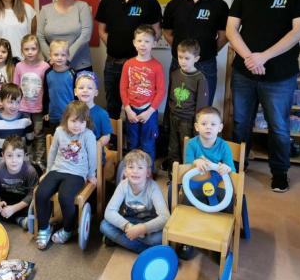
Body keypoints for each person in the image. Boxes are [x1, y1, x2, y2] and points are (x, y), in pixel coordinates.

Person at [225, 0, 300, 193]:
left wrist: (263, 57)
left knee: (279, 126)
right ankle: (238, 166)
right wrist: (250, 58)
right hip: (244, 73)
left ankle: (279, 172)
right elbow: (231, 29)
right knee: (241, 122)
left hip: (280, 75)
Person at [95, 0, 163, 119]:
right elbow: (102, 30)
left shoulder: (149, 1)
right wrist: (114, 45)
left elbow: (156, 31)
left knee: (139, 106)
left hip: (141, 67)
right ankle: (113, 135)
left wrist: (142, 55)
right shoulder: (107, 1)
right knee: (113, 106)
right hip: (113, 63)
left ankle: (136, 136)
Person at [162, 0, 230, 105]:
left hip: (206, 64)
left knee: (203, 109)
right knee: (177, 107)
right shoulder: (174, 5)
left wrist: (208, 51)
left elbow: (224, 35)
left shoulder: (219, 5)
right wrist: (183, 52)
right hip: (179, 64)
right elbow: (167, 32)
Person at [35, 101, 98, 250]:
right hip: (57, 169)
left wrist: (91, 174)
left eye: (82, 122)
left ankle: (68, 229)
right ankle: (44, 228)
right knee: (41, 193)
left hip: (77, 173)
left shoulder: (88, 135)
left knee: (65, 197)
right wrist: (48, 171)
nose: (77, 125)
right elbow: (52, 151)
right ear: (66, 119)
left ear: (86, 122)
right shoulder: (59, 131)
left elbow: (92, 156)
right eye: (73, 121)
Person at [178, 106, 235, 259]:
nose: (208, 127)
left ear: (220, 128)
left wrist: (225, 168)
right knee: (187, 202)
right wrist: (195, 162)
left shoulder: (224, 146)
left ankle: (220, 241)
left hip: (216, 183)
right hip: (196, 183)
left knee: (226, 202)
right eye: (204, 124)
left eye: (213, 124)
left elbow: (232, 170)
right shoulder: (192, 144)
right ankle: (187, 240)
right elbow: (186, 168)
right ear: (197, 127)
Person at [100, 149, 169, 253]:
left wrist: (143, 228)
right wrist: (127, 226)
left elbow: (165, 217)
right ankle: (145, 250)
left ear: (148, 172)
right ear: (125, 172)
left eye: (140, 167)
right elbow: (109, 212)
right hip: (129, 222)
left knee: (158, 238)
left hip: (148, 225)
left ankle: (119, 240)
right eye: (131, 167)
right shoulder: (123, 185)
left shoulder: (153, 188)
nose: (135, 171)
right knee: (104, 226)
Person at [120, 25, 165, 170]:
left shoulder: (157, 66)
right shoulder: (128, 64)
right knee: (132, 143)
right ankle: (131, 171)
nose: (143, 44)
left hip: (149, 112)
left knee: (148, 144)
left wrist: (149, 112)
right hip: (131, 111)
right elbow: (123, 88)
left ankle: (148, 173)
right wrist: (128, 110)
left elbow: (161, 91)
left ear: (154, 44)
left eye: (147, 41)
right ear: (134, 43)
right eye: (139, 41)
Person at [36, 0, 93, 73]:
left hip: (80, 66)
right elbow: (40, 37)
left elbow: (86, 35)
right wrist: (51, 58)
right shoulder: (45, 10)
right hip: (54, 66)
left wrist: (66, 57)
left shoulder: (82, 7)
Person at [166, 39, 210, 168]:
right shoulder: (174, 74)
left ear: (196, 58)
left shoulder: (200, 78)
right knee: (172, 148)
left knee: (186, 149)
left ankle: (186, 174)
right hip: (173, 117)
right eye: (180, 57)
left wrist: (197, 125)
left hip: (188, 120)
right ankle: (173, 174)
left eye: (187, 58)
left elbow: (202, 106)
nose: (183, 61)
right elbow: (170, 97)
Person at [0, 136, 38, 230]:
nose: (14, 161)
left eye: (18, 156)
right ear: (3, 156)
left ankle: (2, 216)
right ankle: (19, 220)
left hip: (21, 201)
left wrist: (14, 208)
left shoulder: (30, 171)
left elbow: (32, 195)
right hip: (5, 199)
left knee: (36, 205)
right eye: (9, 156)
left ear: (24, 156)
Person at [13, 34, 50, 169]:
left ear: (38, 49)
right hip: (23, 108)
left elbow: (48, 89)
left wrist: (47, 109)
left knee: (39, 134)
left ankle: (39, 160)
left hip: (39, 108)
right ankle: (26, 158)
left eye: (33, 49)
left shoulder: (45, 66)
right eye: (26, 49)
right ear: (22, 50)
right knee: (24, 134)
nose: (30, 52)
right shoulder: (19, 66)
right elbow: (15, 87)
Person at [0, 83, 34, 167]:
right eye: (10, 102)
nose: (14, 106)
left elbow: (29, 140)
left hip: (20, 162)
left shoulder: (26, 120)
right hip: (0, 161)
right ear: (1, 101)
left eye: (18, 102)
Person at [42, 40, 76, 135]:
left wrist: (76, 112)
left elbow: (77, 95)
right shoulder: (48, 73)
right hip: (53, 115)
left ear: (68, 56)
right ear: (50, 55)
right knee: (54, 139)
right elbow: (46, 94)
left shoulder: (72, 73)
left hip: (70, 115)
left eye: (63, 55)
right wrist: (45, 111)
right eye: (56, 55)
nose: (59, 58)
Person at [74, 71, 112, 150]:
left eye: (90, 88)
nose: (85, 90)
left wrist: (98, 144)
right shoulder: (71, 111)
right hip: (75, 152)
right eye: (81, 88)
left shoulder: (102, 114)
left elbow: (107, 135)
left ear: (96, 92)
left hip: (95, 152)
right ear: (75, 92)